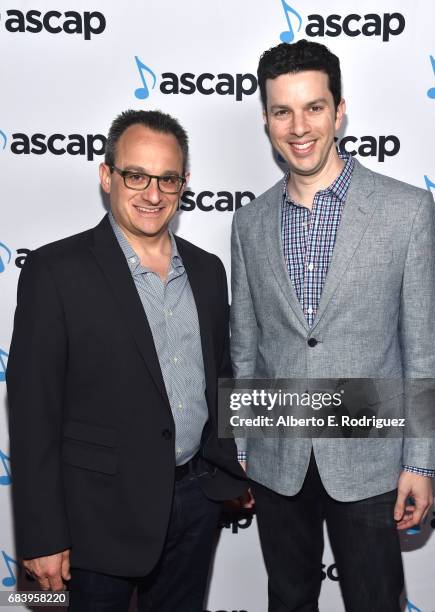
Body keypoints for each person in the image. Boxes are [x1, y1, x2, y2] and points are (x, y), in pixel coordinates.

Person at [230, 40, 435, 611]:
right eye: (282, 111)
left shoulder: (406, 210)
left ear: (339, 110)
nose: (299, 127)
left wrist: (421, 462)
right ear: (267, 119)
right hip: (279, 461)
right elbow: (246, 346)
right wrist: (244, 449)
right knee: (289, 600)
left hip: (372, 462)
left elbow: (422, 349)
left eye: (314, 107)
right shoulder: (248, 223)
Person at [7, 109, 246, 612]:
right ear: (106, 176)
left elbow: (220, 379)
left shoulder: (206, 270)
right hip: (93, 520)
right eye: (136, 175)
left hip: (195, 504)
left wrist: (231, 470)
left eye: (168, 179)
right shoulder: (55, 271)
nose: (152, 194)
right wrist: (42, 536)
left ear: (184, 184)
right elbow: (32, 415)